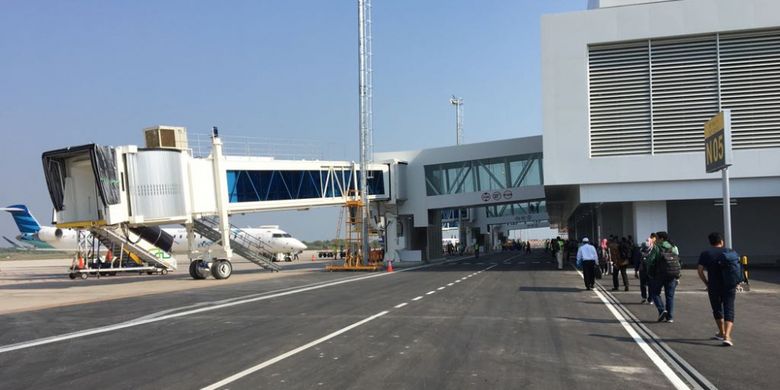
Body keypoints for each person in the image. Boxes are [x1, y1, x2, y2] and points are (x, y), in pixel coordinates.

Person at [697, 232, 737, 346]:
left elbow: (700, 271)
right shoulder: (730, 251)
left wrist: (707, 283)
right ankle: (727, 336)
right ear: (721, 241)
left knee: (717, 309)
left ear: (710, 242)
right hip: (729, 285)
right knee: (729, 308)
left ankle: (721, 332)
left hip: (714, 285)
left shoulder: (706, 253)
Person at [646, 231, 681, 323]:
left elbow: (651, 261)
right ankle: (670, 317)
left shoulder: (657, 247)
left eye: (657, 238)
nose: (656, 239)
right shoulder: (673, 247)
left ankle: (662, 310)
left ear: (661, 239)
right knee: (670, 296)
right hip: (672, 274)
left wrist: (650, 271)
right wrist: (678, 275)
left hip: (659, 274)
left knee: (655, 293)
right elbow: (678, 261)